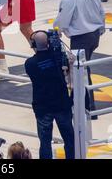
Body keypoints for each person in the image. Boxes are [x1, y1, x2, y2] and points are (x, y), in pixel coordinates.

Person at [53, 0, 105, 118]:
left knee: (80, 71)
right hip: (94, 35)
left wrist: (57, 31)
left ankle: (88, 107)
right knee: (81, 69)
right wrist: (101, 29)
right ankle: (76, 103)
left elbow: (63, 18)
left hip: (81, 37)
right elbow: (102, 13)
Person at [25, 31, 75, 159]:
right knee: (69, 138)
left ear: (33, 44)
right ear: (48, 42)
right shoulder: (59, 58)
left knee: (45, 142)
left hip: (42, 106)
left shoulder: (30, 63)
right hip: (61, 103)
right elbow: (69, 72)